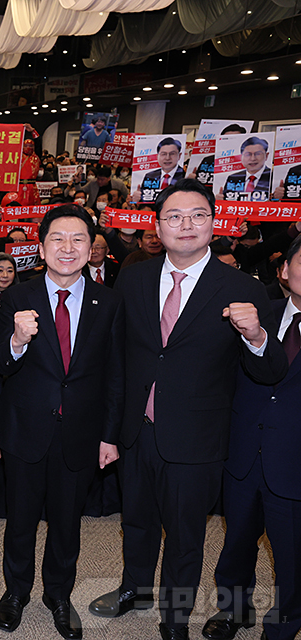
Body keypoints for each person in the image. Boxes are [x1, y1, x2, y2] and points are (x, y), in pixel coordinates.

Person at [88, 180, 288, 640]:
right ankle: (134, 588)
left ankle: (174, 616)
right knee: (136, 521)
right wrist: (111, 428)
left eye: (198, 215)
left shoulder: (241, 287)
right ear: (157, 226)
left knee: (184, 537)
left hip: (196, 437)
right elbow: (124, 357)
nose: (186, 225)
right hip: (137, 429)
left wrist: (257, 337)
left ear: (214, 223)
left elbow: (270, 370)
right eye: (174, 216)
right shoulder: (135, 276)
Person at [0, 205, 125, 640]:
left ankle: (59, 594)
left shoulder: (109, 301)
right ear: (42, 245)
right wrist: (16, 340)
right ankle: (16, 592)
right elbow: (0, 366)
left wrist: (110, 435)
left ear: (91, 248)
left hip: (81, 433)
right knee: (21, 519)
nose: (67, 248)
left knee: (68, 522)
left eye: (78, 240)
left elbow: (114, 375)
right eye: (57, 239)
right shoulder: (17, 296)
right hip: (26, 430)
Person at [200, 234, 301, 640]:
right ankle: (233, 611)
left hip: (294, 460)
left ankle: (284, 623)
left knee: (292, 555)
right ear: (283, 271)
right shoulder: (253, 314)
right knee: (236, 543)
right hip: (243, 453)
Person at [220, 136, 273, 202]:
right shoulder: (233, 178)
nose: (253, 158)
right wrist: (220, 201)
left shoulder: (273, 177)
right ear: (241, 157)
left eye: (258, 154)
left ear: (266, 156)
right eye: (248, 154)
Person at [137, 138, 185, 203]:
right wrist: (135, 201)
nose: (168, 158)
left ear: (179, 156)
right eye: (163, 154)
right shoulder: (150, 176)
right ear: (157, 156)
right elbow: (145, 201)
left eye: (172, 154)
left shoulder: (185, 176)